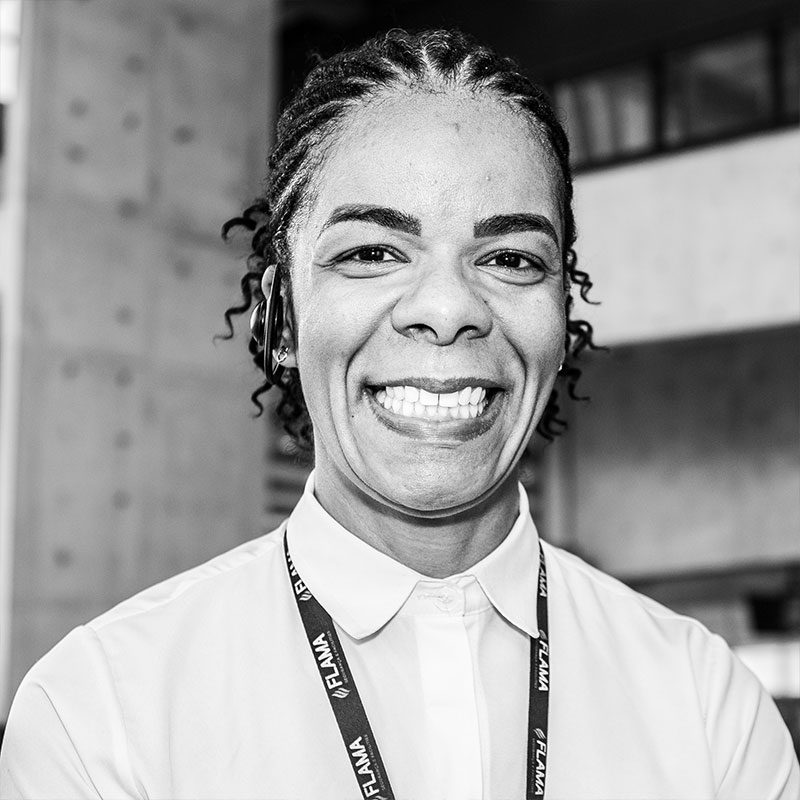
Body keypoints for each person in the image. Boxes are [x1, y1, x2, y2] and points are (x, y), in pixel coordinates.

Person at [0, 27, 797, 800]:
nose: (447, 309)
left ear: (561, 315)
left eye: (511, 258)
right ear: (280, 318)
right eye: (372, 253)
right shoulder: (102, 716)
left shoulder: (706, 709)